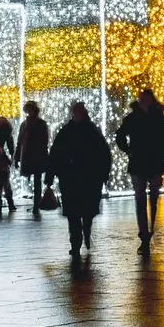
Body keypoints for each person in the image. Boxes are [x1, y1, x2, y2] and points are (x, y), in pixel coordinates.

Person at [46, 101, 112, 261]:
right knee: (77, 212)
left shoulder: (68, 131)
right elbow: (104, 154)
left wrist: (51, 174)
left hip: (76, 176)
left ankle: (79, 239)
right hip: (83, 177)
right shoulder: (90, 131)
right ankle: (78, 240)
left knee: (75, 212)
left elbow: (55, 153)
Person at [114, 88, 164, 253]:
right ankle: (145, 234)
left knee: (149, 199)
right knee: (143, 199)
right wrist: (128, 150)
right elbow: (120, 135)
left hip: (148, 162)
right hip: (145, 163)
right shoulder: (142, 119)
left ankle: (148, 231)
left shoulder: (151, 119)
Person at [16, 101, 51, 212]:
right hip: (29, 155)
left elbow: (44, 141)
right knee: (34, 180)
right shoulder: (26, 124)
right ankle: (36, 203)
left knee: (37, 180)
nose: (28, 113)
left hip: (36, 156)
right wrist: (17, 157)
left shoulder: (39, 124)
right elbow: (20, 141)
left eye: (29, 110)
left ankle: (36, 204)